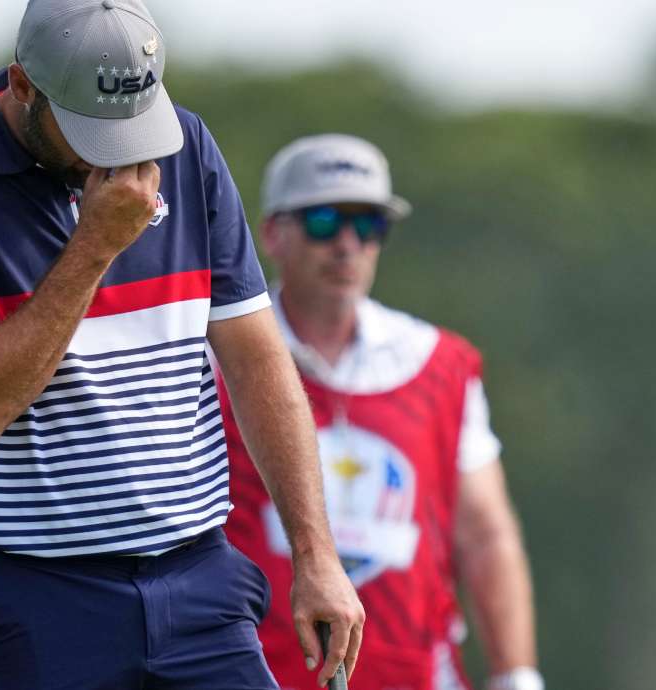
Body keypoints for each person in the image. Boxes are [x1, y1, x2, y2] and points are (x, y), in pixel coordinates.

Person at [0, 2, 363, 688]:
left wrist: (315, 554)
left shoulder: (186, 146)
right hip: (32, 602)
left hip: (199, 583)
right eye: (88, 129)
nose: (118, 151)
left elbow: (256, 361)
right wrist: (96, 246)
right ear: (22, 85)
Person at [221, 134, 543, 690]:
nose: (348, 245)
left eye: (369, 224)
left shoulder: (440, 363)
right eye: (324, 221)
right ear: (272, 234)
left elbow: (486, 534)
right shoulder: (213, 354)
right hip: (252, 674)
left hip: (414, 676)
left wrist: (516, 675)